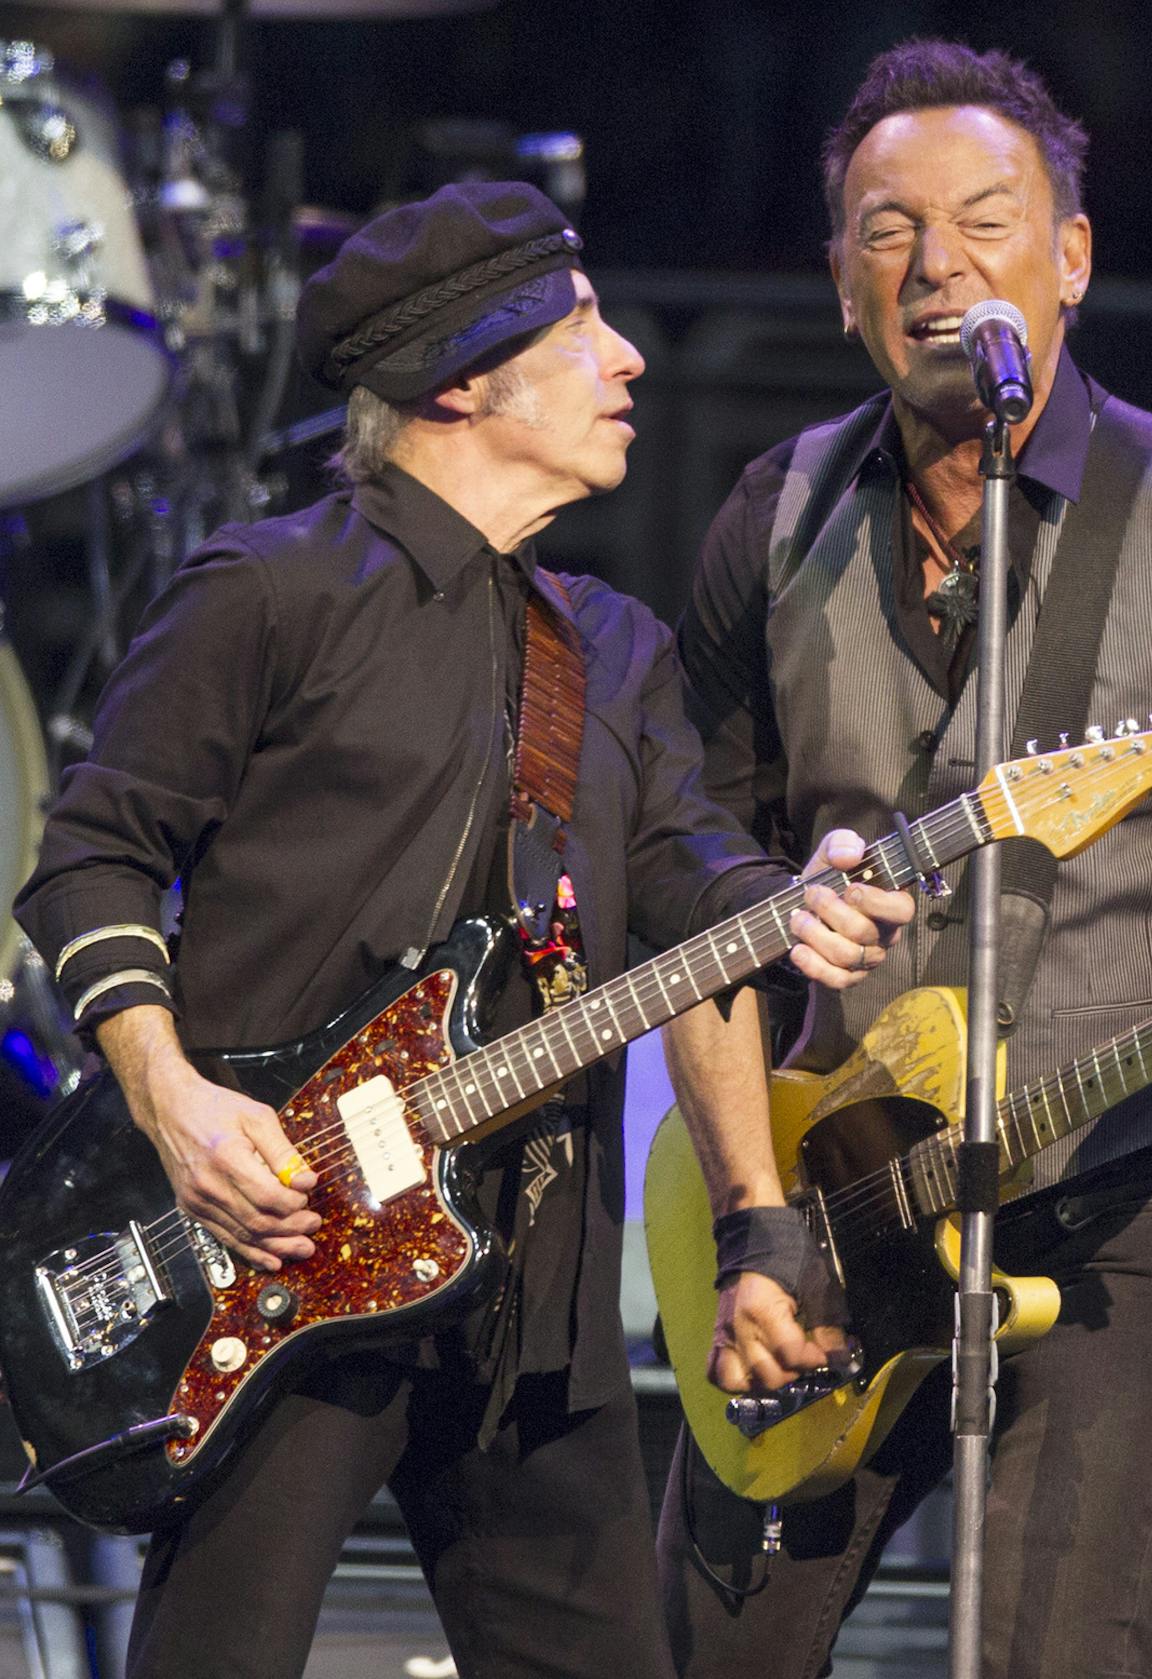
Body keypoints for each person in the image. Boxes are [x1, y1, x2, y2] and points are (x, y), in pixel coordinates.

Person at [13, 181, 913, 1679]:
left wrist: (795, 897)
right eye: (582, 330)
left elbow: (686, 873)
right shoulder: (271, 590)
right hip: (281, 1257)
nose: (631, 358)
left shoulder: (610, 644)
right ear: (459, 383)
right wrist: (174, 1102)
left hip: (529, 1293)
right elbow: (92, 858)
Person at [654, 39, 1152, 1679]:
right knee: (711, 1642)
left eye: (984, 221)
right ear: (841, 279)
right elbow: (691, 891)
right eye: (887, 230)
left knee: (1052, 1646)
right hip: (835, 1187)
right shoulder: (772, 516)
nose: (937, 266)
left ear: (1074, 258)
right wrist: (755, 1215)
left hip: (1114, 1186)